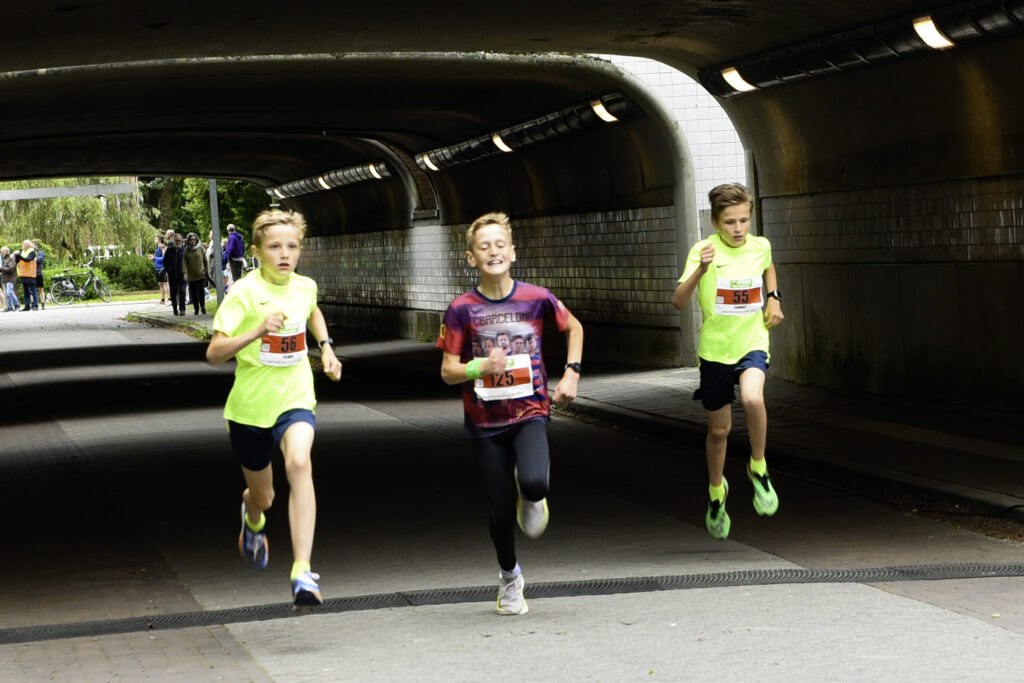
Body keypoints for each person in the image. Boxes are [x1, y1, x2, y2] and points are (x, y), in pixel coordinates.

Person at [437, 211, 583, 616]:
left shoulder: (536, 298)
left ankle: (532, 495)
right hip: (485, 424)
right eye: (484, 246)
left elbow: (574, 328)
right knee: (501, 513)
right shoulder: (460, 310)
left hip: (531, 410)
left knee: (535, 483)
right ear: (471, 258)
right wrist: (478, 368)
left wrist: (571, 373)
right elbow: (448, 371)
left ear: (513, 253)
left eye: (500, 244)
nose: (493, 251)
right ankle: (509, 577)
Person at [205, 209, 342, 607]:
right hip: (249, 410)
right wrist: (258, 330)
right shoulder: (243, 293)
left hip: (296, 397)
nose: (285, 254)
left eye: (292, 246)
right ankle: (252, 519)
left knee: (299, 463)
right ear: (257, 251)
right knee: (263, 497)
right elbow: (214, 353)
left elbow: (311, 309)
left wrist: (327, 347)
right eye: (275, 247)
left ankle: (302, 571)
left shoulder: (304, 287)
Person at [671, 183, 784, 541]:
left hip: (752, 341)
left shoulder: (760, 245)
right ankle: (717, 492)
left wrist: (774, 298)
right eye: (730, 222)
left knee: (753, 398)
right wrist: (700, 273)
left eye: (744, 221)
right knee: (719, 431)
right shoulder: (702, 251)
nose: (738, 229)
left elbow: (768, 266)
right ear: (716, 222)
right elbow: (678, 301)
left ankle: (758, 466)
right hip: (715, 351)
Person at [183, 232, 209, 315]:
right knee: (193, 293)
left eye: (194, 239)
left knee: (201, 291)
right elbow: (184, 262)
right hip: (191, 275)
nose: (192, 241)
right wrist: (185, 273)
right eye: (191, 240)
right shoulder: (186, 250)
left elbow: (205, 260)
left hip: (201, 274)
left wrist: (206, 270)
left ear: (196, 240)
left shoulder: (200, 248)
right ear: (188, 241)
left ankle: (203, 306)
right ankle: (196, 308)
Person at [163, 232, 186, 316]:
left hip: (182, 275)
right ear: (174, 241)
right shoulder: (169, 250)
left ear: (182, 241)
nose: (178, 242)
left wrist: (186, 272)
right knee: (173, 293)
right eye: (176, 240)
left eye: (179, 240)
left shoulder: (184, 250)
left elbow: (187, 262)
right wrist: (169, 271)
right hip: (172, 275)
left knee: (182, 291)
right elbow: (165, 262)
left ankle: (182, 309)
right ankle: (175, 309)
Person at [14, 240, 39, 311]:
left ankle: (35, 305)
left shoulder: (32, 252)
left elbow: (28, 259)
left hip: (30, 275)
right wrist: (17, 256)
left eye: (23, 244)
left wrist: (19, 256)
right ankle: (27, 306)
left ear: (27, 245)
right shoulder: (23, 252)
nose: (22, 245)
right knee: (26, 291)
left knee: (33, 290)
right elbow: (18, 261)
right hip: (23, 274)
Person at [150, 235, 169, 304]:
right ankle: (163, 299)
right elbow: (157, 257)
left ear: (160, 240)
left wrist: (154, 258)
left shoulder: (162, 247)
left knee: (166, 284)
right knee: (160, 284)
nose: (154, 240)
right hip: (157, 268)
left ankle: (171, 298)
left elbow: (164, 258)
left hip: (162, 268)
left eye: (156, 239)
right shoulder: (157, 248)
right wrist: (153, 257)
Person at [0, 246, 17, 312]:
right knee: (7, 294)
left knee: (10, 293)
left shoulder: (11, 259)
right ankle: (10, 307)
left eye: (2, 251)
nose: (1, 252)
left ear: (6, 251)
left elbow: (11, 269)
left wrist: (1, 268)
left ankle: (17, 305)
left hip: (10, 278)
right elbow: (3, 270)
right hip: (5, 279)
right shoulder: (4, 259)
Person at [33, 241, 46, 310]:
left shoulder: (40, 253)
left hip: (38, 273)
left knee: (40, 289)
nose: (32, 247)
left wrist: (32, 260)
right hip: (31, 273)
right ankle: (34, 304)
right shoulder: (30, 253)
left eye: (33, 245)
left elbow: (39, 260)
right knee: (32, 290)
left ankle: (43, 304)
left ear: (36, 245)